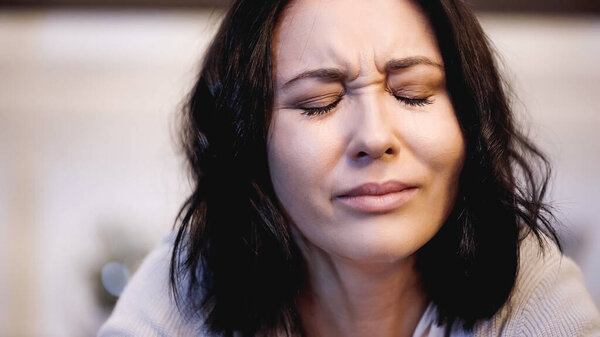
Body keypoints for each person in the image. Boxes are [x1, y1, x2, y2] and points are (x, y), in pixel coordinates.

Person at [98, 0, 600, 336]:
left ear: (470, 117)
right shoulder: (188, 288)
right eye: (320, 103)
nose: (375, 138)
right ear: (248, 138)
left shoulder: (527, 288)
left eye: (413, 93)